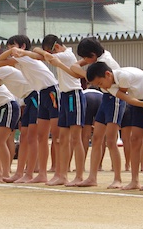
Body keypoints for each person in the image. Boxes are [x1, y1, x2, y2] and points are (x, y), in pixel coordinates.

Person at [51, 37, 124, 189]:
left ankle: (117, 178)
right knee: (96, 138)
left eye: (85, 58)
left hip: (115, 97)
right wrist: (81, 70)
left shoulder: (105, 63)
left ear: (92, 55)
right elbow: (75, 67)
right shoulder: (98, 57)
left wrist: (70, 68)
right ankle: (92, 177)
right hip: (105, 97)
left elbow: (82, 74)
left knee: (110, 140)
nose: (84, 60)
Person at [0, 34, 60, 184]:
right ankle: (21, 173)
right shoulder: (20, 60)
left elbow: (0, 61)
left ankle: (35, 173)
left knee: (36, 136)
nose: (9, 50)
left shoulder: (25, 57)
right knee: (25, 136)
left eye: (12, 47)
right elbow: (0, 60)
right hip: (37, 95)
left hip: (49, 91)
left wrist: (17, 52)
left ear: (22, 46)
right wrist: (12, 52)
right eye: (8, 48)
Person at [87, 62, 143, 191]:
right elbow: (129, 100)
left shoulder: (123, 76)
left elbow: (127, 95)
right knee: (135, 140)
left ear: (107, 74)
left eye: (100, 83)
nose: (101, 87)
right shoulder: (108, 87)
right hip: (139, 103)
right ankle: (134, 180)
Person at [38, 35, 86, 186]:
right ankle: (62, 175)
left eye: (50, 51)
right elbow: (38, 53)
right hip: (64, 95)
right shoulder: (58, 55)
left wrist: (44, 54)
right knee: (62, 138)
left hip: (74, 95)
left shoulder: (66, 55)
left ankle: (79, 175)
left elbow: (40, 56)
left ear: (56, 48)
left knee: (75, 138)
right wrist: (43, 52)